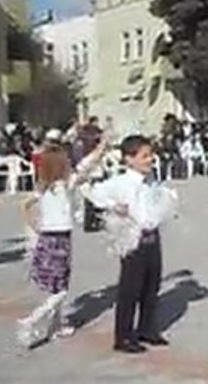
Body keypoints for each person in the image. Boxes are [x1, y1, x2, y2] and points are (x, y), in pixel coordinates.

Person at [89, 135, 176, 354]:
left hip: (152, 237)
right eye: (144, 156)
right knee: (130, 289)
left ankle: (146, 328)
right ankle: (123, 336)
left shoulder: (151, 180)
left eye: (150, 155)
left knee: (151, 285)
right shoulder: (120, 182)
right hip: (132, 240)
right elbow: (91, 192)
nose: (150, 160)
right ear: (129, 159)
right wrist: (112, 206)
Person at [18, 140, 106, 348]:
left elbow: (24, 205)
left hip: (46, 237)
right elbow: (87, 165)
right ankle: (32, 320)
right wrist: (103, 146)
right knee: (61, 290)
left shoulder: (43, 187)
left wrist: (34, 226)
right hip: (60, 238)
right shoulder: (65, 185)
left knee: (57, 284)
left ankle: (55, 326)